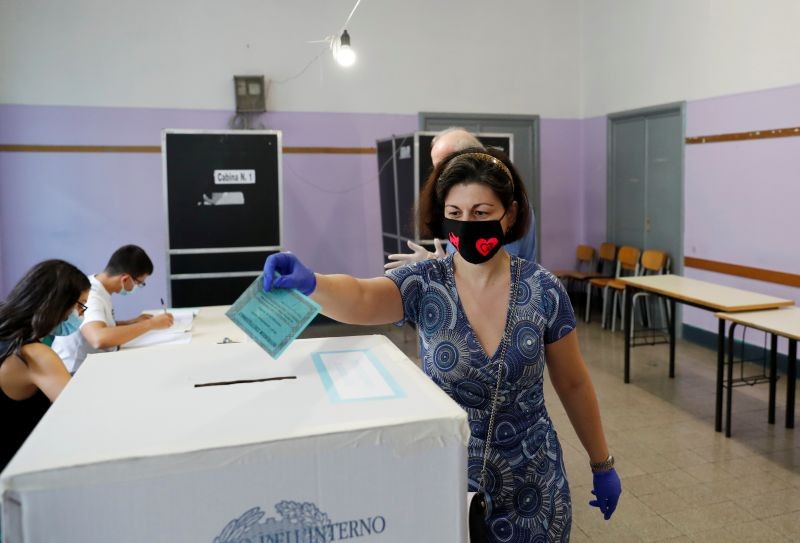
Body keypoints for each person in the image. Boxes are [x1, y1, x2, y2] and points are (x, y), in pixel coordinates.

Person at [262, 148, 621, 540]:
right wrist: (313, 282)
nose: (467, 225)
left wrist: (602, 464)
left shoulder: (544, 290)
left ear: (511, 214)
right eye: (455, 214)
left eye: (482, 213)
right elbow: (363, 297)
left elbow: (573, 383)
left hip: (533, 484)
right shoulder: (425, 283)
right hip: (447, 477)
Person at [385, 127, 537, 270]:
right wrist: (440, 263)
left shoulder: (503, 210)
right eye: (455, 213)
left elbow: (485, 269)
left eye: (480, 212)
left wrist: (440, 268)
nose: (439, 178)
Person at [0, 259, 91, 470]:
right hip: (18, 466)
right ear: (57, 304)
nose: (82, 314)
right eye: (80, 305)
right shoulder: (35, 355)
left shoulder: (7, 329)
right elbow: (79, 414)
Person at [52, 245, 173, 374]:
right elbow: (98, 338)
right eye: (139, 283)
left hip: (90, 365)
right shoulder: (91, 295)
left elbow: (99, 323)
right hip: (75, 371)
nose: (138, 287)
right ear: (125, 278)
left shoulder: (99, 287)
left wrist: (129, 323)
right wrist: (150, 324)